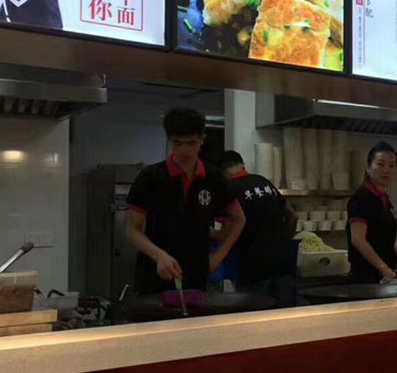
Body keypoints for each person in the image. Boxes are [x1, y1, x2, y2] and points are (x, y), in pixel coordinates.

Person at [126, 109, 245, 295]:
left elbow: (239, 219)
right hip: (154, 273)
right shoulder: (151, 177)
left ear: (202, 139)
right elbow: (132, 231)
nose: (184, 151)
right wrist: (159, 255)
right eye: (177, 143)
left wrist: (218, 256)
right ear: (168, 139)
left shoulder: (214, 178)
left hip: (196, 273)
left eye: (191, 143)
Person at [218, 151, 297, 307]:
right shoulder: (264, 182)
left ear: (222, 173)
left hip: (254, 269)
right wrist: (284, 241)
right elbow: (293, 216)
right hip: (283, 265)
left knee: (257, 318)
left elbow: (225, 235)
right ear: (243, 166)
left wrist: (206, 232)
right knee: (286, 318)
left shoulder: (229, 190)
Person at [347, 142, 397, 283]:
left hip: (384, 276)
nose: (386, 170)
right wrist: (384, 269)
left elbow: (388, 235)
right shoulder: (362, 198)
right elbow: (358, 239)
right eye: (380, 164)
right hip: (367, 279)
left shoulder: (383, 198)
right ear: (368, 168)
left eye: (391, 165)